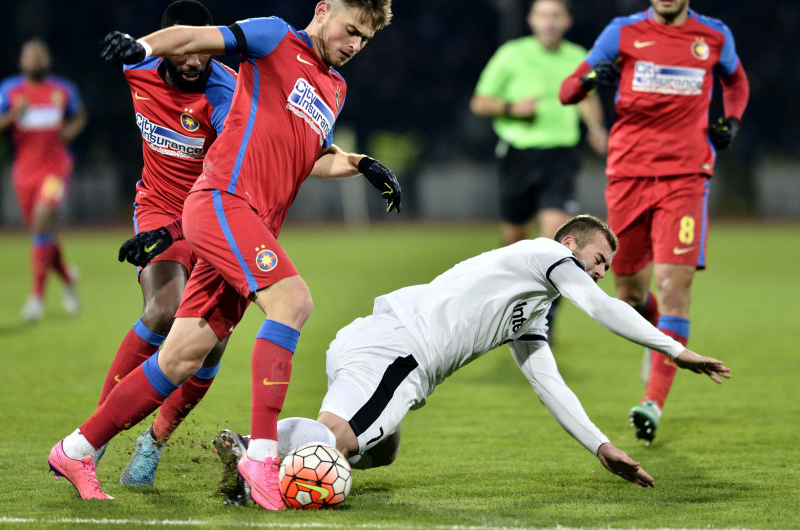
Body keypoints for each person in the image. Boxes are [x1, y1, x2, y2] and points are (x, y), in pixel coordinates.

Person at [48, 0, 401, 510]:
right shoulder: (275, 36)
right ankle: (261, 458)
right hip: (223, 201)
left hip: (253, 220)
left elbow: (309, 156)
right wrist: (141, 46)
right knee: (293, 302)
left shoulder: (336, 88)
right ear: (324, 11)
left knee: (185, 354)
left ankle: (77, 448)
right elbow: (191, 37)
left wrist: (362, 165)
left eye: (365, 38)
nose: (354, 44)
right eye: (351, 28)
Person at [211, 214, 731, 506]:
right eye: (598, 261)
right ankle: (256, 455)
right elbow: (599, 305)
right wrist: (675, 349)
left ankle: (263, 448)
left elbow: (549, 383)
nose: (600, 273)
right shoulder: (546, 254)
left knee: (382, 452)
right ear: (571, 244)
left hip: (386, 343)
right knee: (337, 444)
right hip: (402, 352)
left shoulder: (532, 309)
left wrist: (600, 445)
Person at [559, 0, 749, 444]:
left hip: (687, 176)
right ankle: (657, 336)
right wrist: (588, 81)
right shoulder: (622, 33)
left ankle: (653, 402)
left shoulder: (713, 36)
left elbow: (737, 81)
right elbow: (567, 89)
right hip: (628, 176)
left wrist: (731, 119)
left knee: (673, 285)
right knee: (630, 293)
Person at [91, 0, 238, 486]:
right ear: (170, 46)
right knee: (163, 309)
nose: (196, 61)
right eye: (185, 50)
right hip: (157, 205)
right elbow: (134, 51)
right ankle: (97, 433)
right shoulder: (139, 67)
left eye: (204, 50)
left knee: (209, 346)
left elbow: (225, 181)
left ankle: (153, 442)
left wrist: (174, 231)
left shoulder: (225, 97)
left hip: (215, 216)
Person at [470, 0, 608, 344]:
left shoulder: (578, 57)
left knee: (554, 239)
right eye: (542, 15)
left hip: (561, 156)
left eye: (555, 15)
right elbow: (480, 102)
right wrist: (512, 109)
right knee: (514, 241)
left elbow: (587, 98)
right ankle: (507, 307)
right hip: (518, 155)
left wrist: (595, 128)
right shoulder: (511, 54)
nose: (549, 22)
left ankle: (545, 315)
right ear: (532, 20)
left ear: (567, 21)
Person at [0, 38, 87, 322]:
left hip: (56, 168)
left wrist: (69, 131)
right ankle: (68, 277)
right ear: (22, 62)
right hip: (24, 171)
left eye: (40, 56)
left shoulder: (62, 90)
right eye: (30, 56)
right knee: (42, 233)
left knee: (41, 221)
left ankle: (36, 298)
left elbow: (80, 116)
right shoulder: (10, 90)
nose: (35, 61)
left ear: (47, 61)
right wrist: (14, 115)